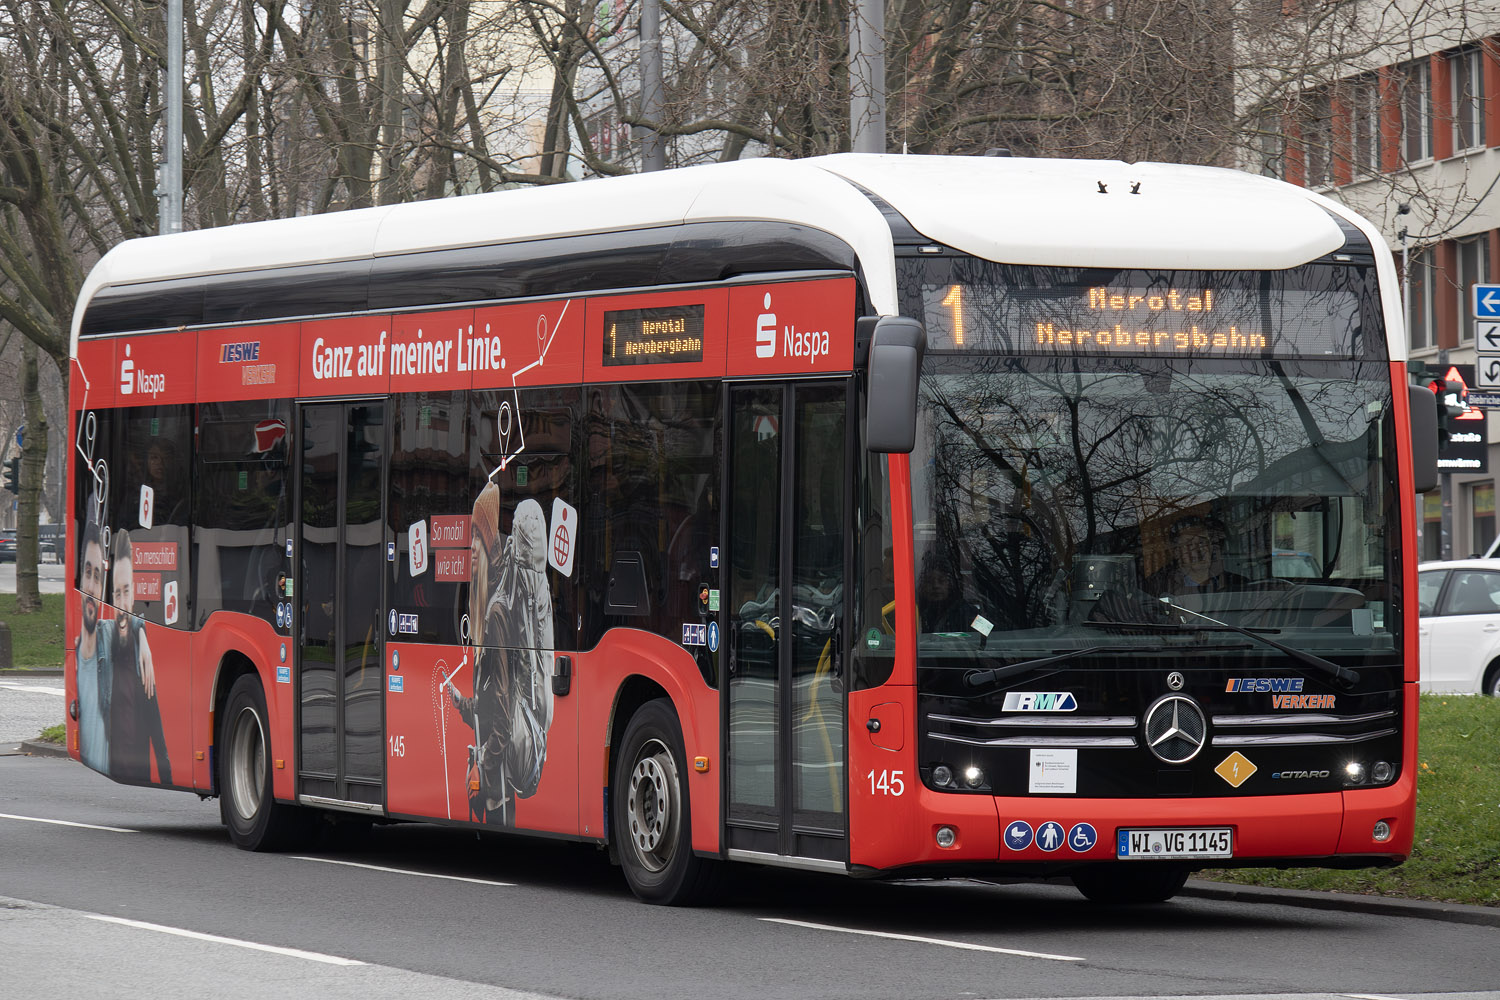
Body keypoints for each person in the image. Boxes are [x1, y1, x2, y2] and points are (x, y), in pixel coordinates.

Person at [108, 530, 171, 785]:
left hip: (138, 777)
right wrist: (140, 628)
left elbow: (158, 737)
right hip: (113, 771)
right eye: (117, 594)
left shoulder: (142, 662)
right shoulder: (105, 646)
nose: (122, 604)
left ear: (134, 594)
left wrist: (167, 782)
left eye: (127, 592)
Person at [75, 522, 111, 772]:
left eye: (97, 576)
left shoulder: (111, 639)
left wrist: (141, 634)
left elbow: (134, 624)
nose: (90, 587)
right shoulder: (75, 653)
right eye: (87, 573)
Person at [1159, 517, 1248, 595]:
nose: (1198, 550)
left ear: (1210, 547)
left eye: (1202, 543)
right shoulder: (1162, 588)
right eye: (1189, 544)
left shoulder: (1240, 584)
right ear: (1176, 552)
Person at [916, 558, 978, 633]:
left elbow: (988, 632)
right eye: (929, 581)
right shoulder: (915, 611)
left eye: (941, 581)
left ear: (950, 584)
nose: (936, 586)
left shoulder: (967, 611)